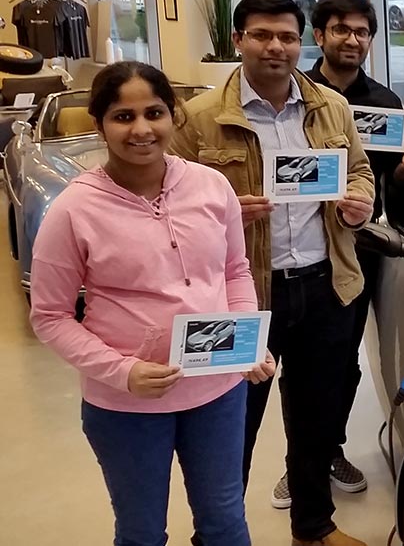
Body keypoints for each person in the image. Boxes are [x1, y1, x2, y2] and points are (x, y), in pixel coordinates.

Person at [29, 61, 275, 546]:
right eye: (123, 117)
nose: (141, 129)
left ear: (174, 116)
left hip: (218, 392)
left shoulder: (211, 186)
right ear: (100, 124)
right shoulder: (74, 210)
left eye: (154, 113)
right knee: (141, 532)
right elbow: (51, 317)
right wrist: (122, 372)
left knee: (225, 523)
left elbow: (233, 271)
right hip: (125, 404)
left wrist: (247, 341)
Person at [173, 0, 375, 546]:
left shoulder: (330, 107)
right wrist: (221, 212)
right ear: (238, 40)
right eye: (262, 35)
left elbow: (359, 171)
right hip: (239, 298)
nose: (276, 47)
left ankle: (313, 528)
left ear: (300, 42)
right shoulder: (199, 119)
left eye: (287, 36)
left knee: (315, 420)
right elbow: (163, 212)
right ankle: (217, 535)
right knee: (227, 424)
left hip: (325, 285)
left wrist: (358, 201)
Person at [242, 0, 404, 509]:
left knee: (334, 371)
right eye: (341, 29)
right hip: (258, 272)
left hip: (345, 260)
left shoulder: (382, 103)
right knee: (256, 382)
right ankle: (287, 474)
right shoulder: (265, 101)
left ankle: (323, 458)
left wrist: (398, 176)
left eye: (363, 31)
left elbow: (379, 183)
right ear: (318, 37)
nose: (353, 40)